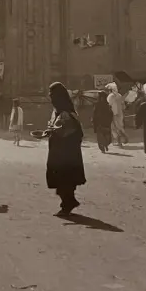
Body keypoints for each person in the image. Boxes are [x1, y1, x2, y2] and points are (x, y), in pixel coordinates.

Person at [36, 82, 86, 217]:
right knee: (61, 178)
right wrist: (48, 132)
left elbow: (71, 132)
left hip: (65, 153)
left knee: (64, 177)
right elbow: (56, 128)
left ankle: (67, 204)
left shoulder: (67, 114)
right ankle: (69, 201)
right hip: (59, 151)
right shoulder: (58, 112)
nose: (50, 98)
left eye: (52, 95)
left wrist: (56, 132)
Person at [106, 82, 128, 147]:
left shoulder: (110, 96)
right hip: (120, 114)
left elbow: (108, 105)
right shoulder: (119, 95)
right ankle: (125, 137)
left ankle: (119, 142)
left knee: (113, 128)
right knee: (120, 127)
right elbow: (124, 106)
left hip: (113, 114)